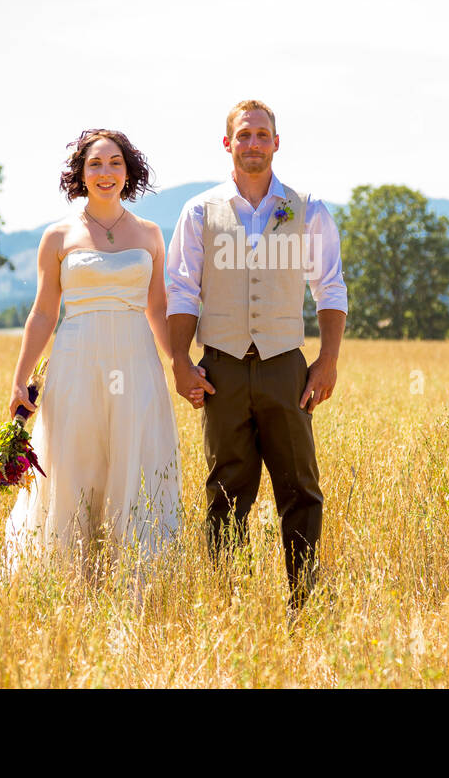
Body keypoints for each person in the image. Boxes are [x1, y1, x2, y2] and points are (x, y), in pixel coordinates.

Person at [166, 99, 347, 614]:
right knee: (225, 490)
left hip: (285, 366)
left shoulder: (306, 207)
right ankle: (225, 606)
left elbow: (329, 287)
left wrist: (327, 360)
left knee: (300, 488)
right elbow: (181, 290)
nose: (252, 144)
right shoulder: (200, 212)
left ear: (276, 143)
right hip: (219, 367)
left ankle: (304, 605)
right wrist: (180, 360)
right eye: (243, 135)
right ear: (228, 144)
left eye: (261, 135)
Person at [4, 129, 200, 585]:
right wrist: (19, 380)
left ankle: (135, 577)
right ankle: (69, 578)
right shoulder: (57, 236)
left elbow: (158, 309)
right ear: (81, 173)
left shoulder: (151, 233)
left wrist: (180, 363)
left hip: (136, 363)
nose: (105, 172)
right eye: (95, 164)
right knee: (75, 463)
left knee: (134, 461)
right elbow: (43, 312)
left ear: (128, 172)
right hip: (76, 362)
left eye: (115, 163)